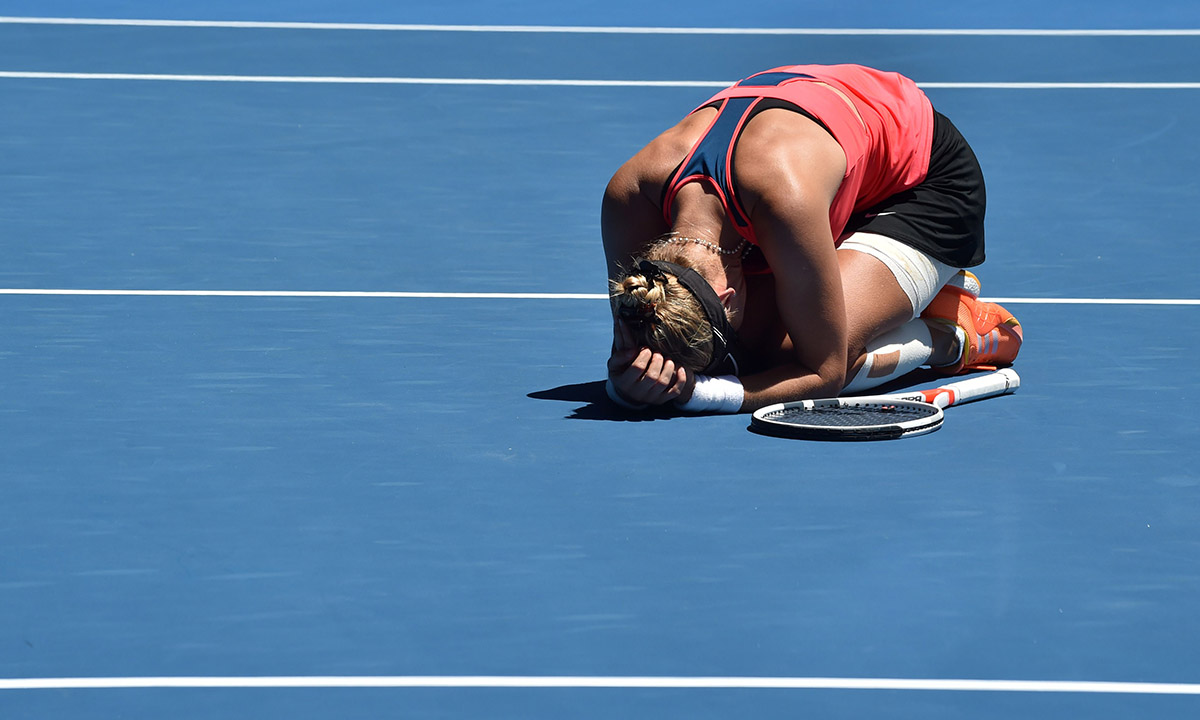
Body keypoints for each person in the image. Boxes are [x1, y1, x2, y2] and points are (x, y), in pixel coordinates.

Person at [602, 63, 1022, 413]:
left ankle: (950, 334)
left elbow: (824, 371)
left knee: (782, 356)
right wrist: (626, 374)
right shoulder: (628, 198)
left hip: (924, 185)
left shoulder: (785, 199)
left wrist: (700, 393)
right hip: (813, 170)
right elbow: (638, 333)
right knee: (753, 349)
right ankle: (896, 291)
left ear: (728, 298)